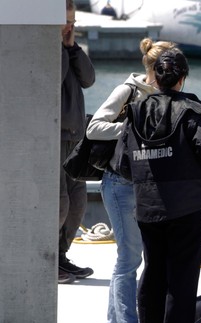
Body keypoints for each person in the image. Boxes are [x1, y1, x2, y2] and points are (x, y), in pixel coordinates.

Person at [115, 48, 201, 323]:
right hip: (186, 207)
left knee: (153, 270)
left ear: (156, 76)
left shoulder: (136, 110)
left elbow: (123, 164)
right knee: (181, 275)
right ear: (182, 77)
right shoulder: (191, 110)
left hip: (148, 206)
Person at [86, 38, 177, 323]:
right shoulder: (129, 90)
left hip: (145, 187)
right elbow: (94, 126)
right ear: (156, 67)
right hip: (120, 182)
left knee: (130, 258)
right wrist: (130, 128)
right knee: (129, 259)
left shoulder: (169, 95)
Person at [59, 0, 96, 284]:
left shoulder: (69, 50)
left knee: (77, 203)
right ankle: (46, 258)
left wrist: (72, 47)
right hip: (54, 138)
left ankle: (61, 255)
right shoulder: (47, 51)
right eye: (65, 20)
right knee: (58, 204)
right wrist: (58, 47)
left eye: (73, 21)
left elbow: (89, 79)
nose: (69, 26)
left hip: (75, 136)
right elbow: (52, 79)